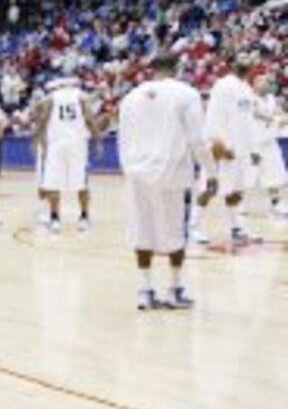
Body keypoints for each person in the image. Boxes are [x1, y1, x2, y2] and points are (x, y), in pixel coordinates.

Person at [117, 56, 216, 310]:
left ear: (152, 70)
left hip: (137, 173)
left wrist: (129, 170)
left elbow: (122, 140)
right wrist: (212, 173)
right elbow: (197, 140)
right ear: (176, 69)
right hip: (172, 173)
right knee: (176, 234)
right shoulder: (187, 94)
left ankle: (145, 290)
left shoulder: (131, 97)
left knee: (142, 231)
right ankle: (175, 289)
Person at [197, 66, 263, 245]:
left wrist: (253, 149)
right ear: (233, 63)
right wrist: (222, 145)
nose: (248, 60)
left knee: (236, 190)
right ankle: (193, 227)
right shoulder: (223, 85)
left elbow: (248, 122)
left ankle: (236, 228)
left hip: (241, 150)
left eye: (250, 59)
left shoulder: (247, 88)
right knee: (209, 188)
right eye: (243, 57)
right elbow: (213, 117)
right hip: (224, 147)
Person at [32, 73, 98, 234]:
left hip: (56, 144)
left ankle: (55, 219)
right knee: (81, 182)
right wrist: (97, 139)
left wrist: (36, 140)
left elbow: (41, 120)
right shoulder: (82, 97)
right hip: (77, 144)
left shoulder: (49, 99)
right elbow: (89, 119)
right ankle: (84, 217)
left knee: (54, 183)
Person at [249, 73, 288, 218]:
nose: (268, 84)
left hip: (269, 142)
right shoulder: (249, 97)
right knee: (248, 174)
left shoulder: (272, 98)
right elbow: (254, 113)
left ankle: (276, 204)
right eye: (264, 81)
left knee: (274, 174)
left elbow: (279, 113)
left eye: (269, 82)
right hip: (253, 144)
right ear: (255, 83)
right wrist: (275, 119)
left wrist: (282, 117)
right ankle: (238, 205)